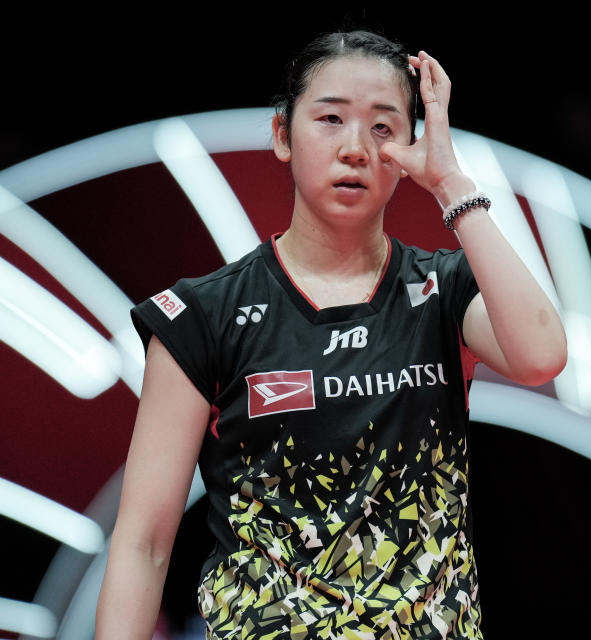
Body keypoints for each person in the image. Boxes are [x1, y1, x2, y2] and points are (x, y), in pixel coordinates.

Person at [95, 30, 566, 639]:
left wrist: (450, 181)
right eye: (330, 119)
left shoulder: (444, 290)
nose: (356, 148)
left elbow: (541, 357)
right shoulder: (202, 314)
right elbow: (143, 543)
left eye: (383, 127)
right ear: (282, 136)